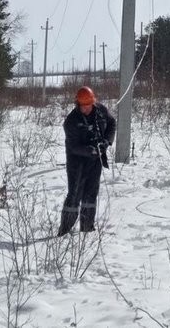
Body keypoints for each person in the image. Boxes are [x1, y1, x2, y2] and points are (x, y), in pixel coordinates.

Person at [57, 86, 116, 236]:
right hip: (77, 162)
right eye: (84, 106)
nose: (87, 109)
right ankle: (65, 230)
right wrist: (90, 150)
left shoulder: (101, 111)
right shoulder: (71, 121)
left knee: (91, 193)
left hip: (95, 161)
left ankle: (87, 228)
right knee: (74, 194)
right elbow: (73, 146)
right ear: (78, 105)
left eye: (89, 105)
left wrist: (106, 142)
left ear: (93, 102)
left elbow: (112, 124)